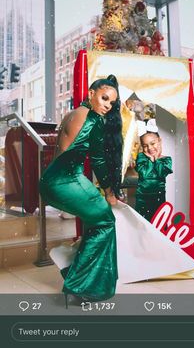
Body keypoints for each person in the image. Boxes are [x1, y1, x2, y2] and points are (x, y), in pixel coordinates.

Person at [39, 75, 123, 304]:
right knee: (105, 222)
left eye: (112, 103)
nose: (107, 105)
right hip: (67, 180)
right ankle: (80, 286)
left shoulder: (72, 114)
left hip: (50, 181)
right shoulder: (94, 120)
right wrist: (108, 191)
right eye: (104, 98)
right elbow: (97, 160)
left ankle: (77, 273)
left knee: (94, 221)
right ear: (91, 93)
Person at [135, 119, 173, 222]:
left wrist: (155, 159)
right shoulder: (141, 157)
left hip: (158, 197)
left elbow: (161, 173)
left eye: (153, 143)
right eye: (145, 146)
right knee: (143, 224)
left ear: (159, 141)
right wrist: (151, 160)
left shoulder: (166, 159)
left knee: (159, 222)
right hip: (142, 197)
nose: (149, 148)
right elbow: (143, 173)